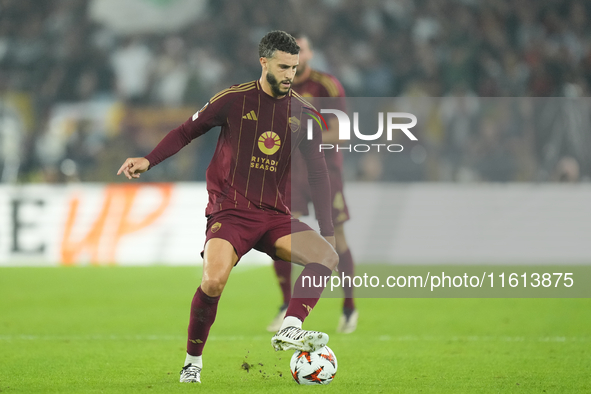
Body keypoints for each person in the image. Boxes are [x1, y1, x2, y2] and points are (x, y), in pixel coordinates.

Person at [117, 31, 338, 384]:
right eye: (283, 67)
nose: (289, 75)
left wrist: (327, 227)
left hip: (274, 215)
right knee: (214, 281)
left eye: (294, 68)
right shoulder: (233, 100)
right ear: (263, 62)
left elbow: (318, 171)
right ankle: (193, 362)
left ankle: (291, 326)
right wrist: (148, 160)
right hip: (230, 212)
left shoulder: (305, 113)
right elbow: (185, 131)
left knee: (327, 256)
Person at [267, 33, 358, 334]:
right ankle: (285, 306)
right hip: (291, 172)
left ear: (308, 54)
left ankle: (348, 307)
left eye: (300, 49)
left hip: (325, 171)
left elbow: (341, 133)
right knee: (282, 235)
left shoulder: (327, 86)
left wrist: (307, 136)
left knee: (337, 239)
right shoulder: (276, 86)